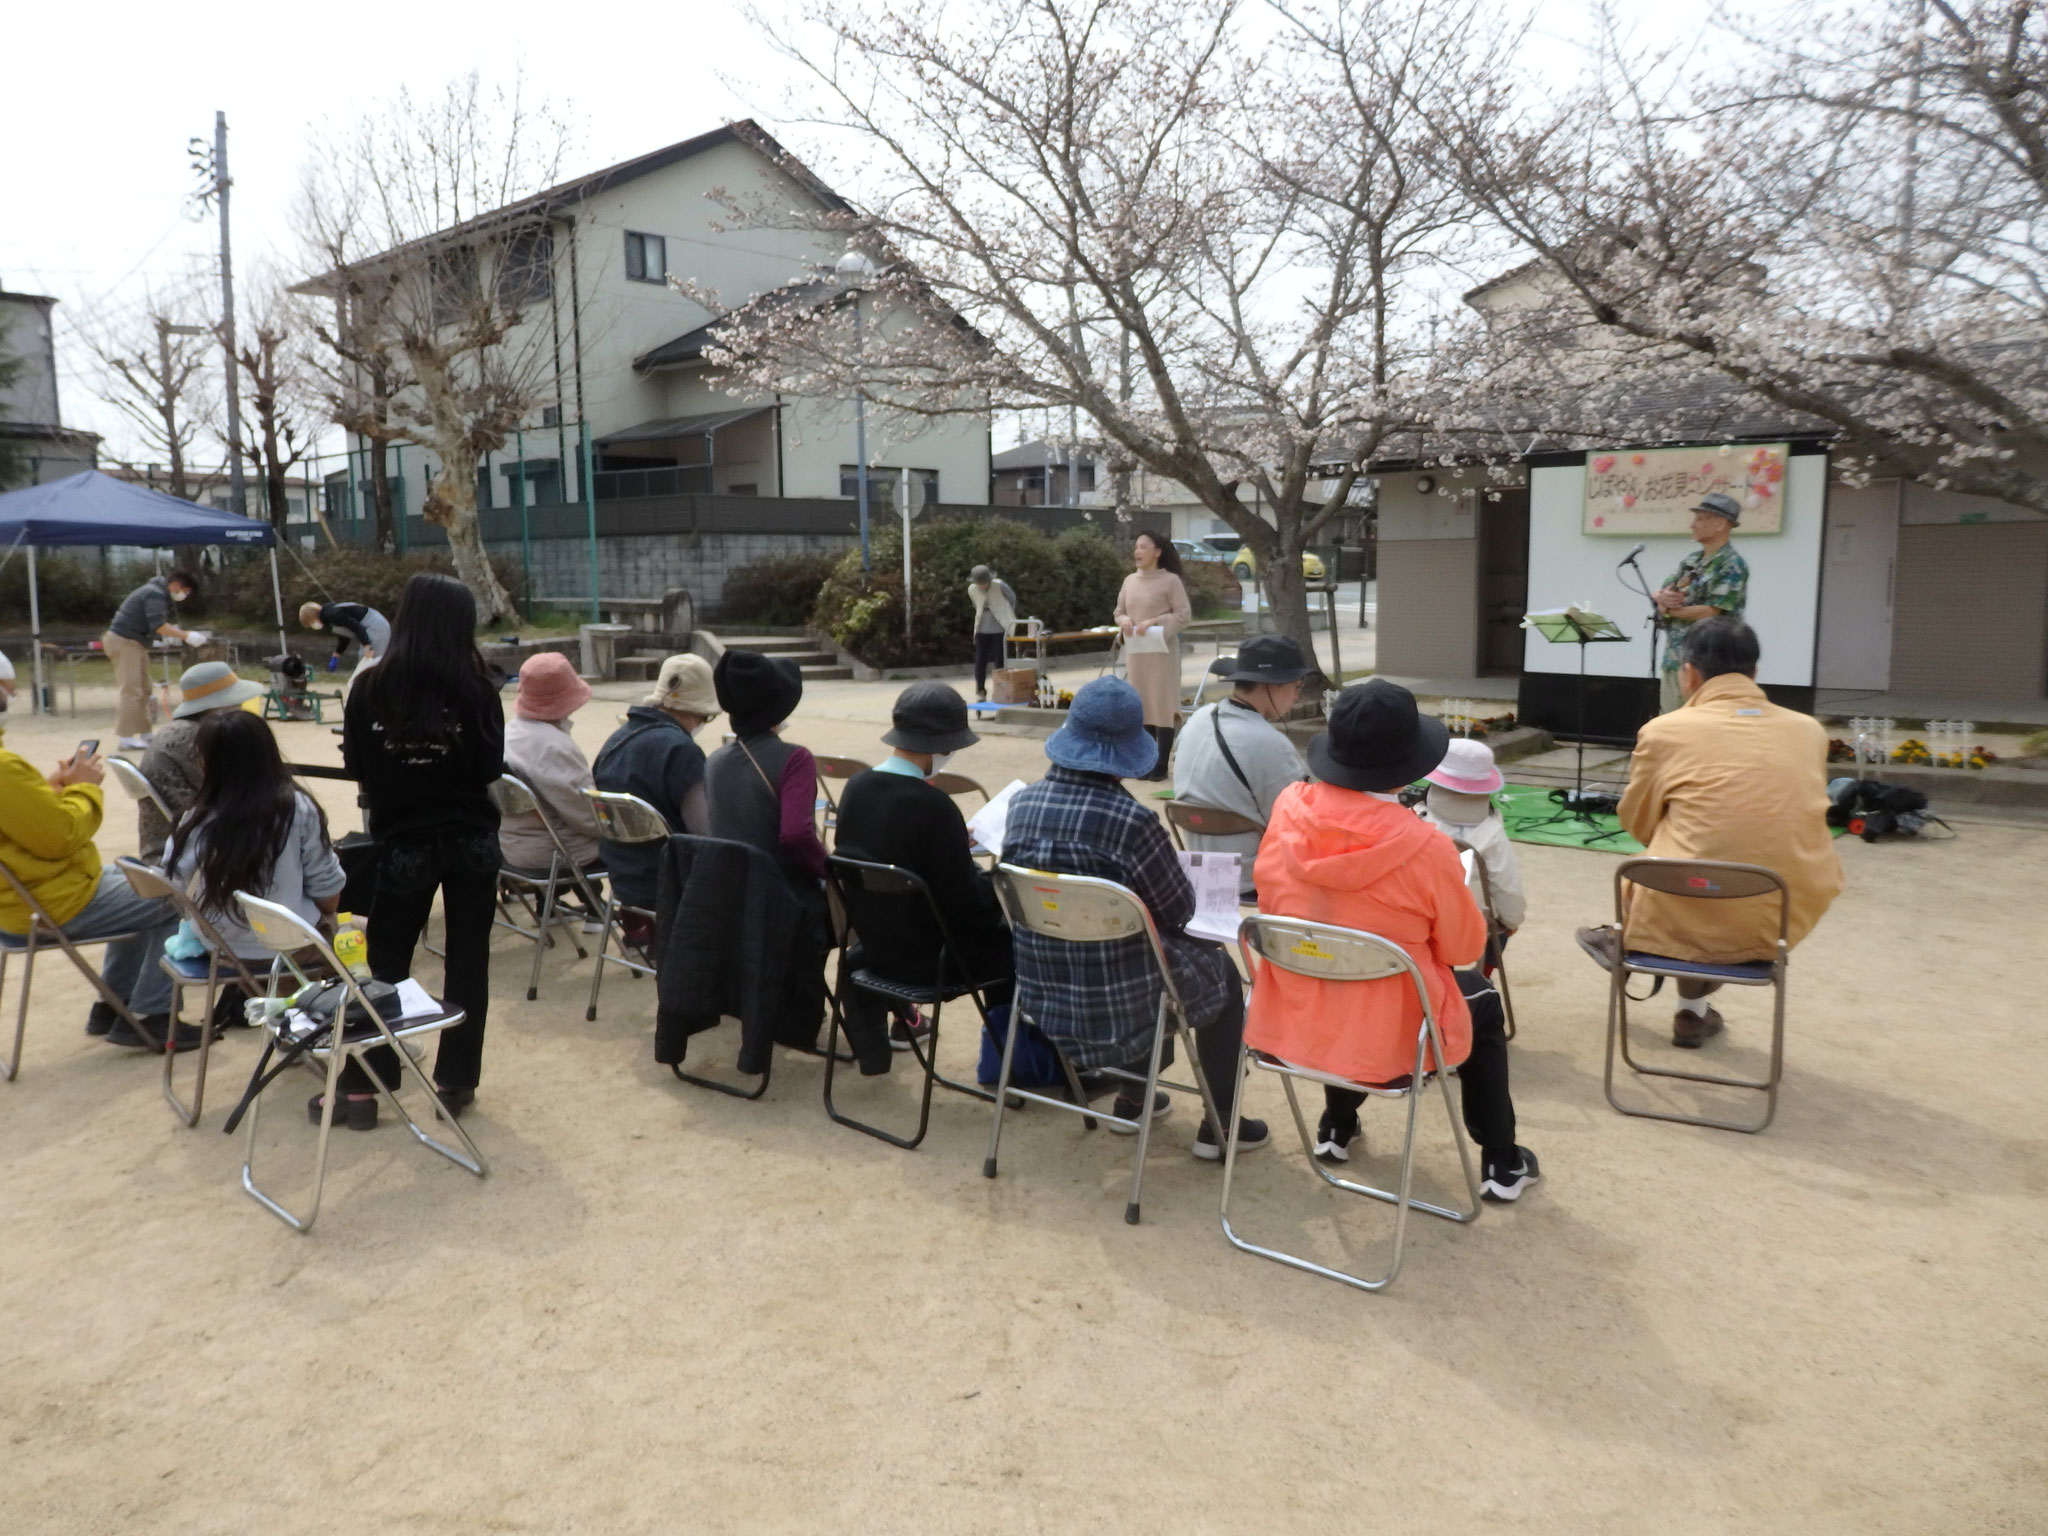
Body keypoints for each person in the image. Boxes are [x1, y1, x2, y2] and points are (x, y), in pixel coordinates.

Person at [1248, 679, 1540, 1200]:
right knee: (1481, 1002)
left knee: (1340, 966)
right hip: (1385, 1037)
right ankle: (1502, 1160)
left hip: (1294, 1019)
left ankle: (1337, 1126)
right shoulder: (1425, 847)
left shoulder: (1288, 808)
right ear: (1410, 761)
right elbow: (1460, 950)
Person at [1002, 676, 1268, 1159]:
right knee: (1219, 974)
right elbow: (1179, 910)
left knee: (1138, 954)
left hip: (1045, 987)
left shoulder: (1021, 806)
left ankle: (1131, 1099)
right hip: (1122, 999)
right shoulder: (1133, 822)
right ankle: (1222, 1123)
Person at [1576, 616, 1843, 1048]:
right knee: (1713, 876)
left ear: (1690, 673)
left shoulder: (1665, 731)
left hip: (1680, 905)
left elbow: (1637, 823)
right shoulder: (1808, 732)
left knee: (1683, 871)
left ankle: (1625, 942)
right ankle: (1692, 1013)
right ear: (1755, 673)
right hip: (1773, 918)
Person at [341, 572, 505, 1122]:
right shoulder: (479, 688)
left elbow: (359, 770)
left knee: (386, 960)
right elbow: (487, 769)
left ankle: (374, 1074)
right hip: (471, 841)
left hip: (402, 841)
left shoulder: (368, 687)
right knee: (467, 961)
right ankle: (456, 1081)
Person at [0, 658, 194, 1052]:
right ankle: (152, 1015)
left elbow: (23, 822)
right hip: (49, 902)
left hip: (30, 895)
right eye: (7, 687)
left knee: (141, 876)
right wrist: (84, 788)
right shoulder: (3, 768)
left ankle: (113, 1004)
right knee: (175, 895)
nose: (13, 695)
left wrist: (52, 788)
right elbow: (62, 836)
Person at [830, 683, 1013, 1075]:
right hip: (930, 960)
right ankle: (1006, 1065)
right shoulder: (934, 806)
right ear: (942, 746)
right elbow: (966, 906)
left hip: (874, 947)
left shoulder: (856, 788)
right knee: (1015, 943)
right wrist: (995, 880)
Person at [164, 710, 347, 1050]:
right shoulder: (297, 809)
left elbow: (172, 884)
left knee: (286, 945)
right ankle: (364, 1036)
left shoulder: (194, 817)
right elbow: (329, 896)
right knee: (362, 935)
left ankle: (289, 1023)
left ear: (207, 764)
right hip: (289, 948)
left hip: (222, 948)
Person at [702, 649, 831, 1035]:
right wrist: (830, 872)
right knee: (869, 912)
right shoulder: (795, 759)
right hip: (786, 899)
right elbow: (796, 834)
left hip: (734, 897)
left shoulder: (715, 759)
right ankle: (898, 1021)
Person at [1171, 634, 1311, 897]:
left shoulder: (1199, 719)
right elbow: (1297, 825)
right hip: (1252, 878)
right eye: (1297, 686)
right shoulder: (1269, 742)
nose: (1297, 697)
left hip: (1201, 872)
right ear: (1273, 685)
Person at [592, 653, 717, 922]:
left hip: (623, 879)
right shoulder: (681, 750)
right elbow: (707, 835)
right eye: (705, 717)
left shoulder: (615, 741)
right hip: (671, 886)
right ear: (695, 712)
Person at [135, 660, 266, 864]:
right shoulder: (195, 739)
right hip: (189, 854)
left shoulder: (179, 731)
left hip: (173, 845)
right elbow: (238, 796)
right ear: (220, 706)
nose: (241, 707)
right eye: (236, 701)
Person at [1416, 738, 1527, 956]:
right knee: (1498, 930)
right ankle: (1478, 980)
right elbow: (1507, 886)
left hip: (1418, 927)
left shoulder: (1413, 819)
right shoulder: (1491, 832)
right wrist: (1512, 920)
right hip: (1470, 930)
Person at [498, 651, 603, 876]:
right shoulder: (555, 746)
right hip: (556, 853)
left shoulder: (506, 734)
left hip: (509, 848)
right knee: (638, 846)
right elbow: (587, 817)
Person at [1654, 491, 1749, 714]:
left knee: (1704, 725)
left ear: (1720, 524)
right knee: (1671, 724)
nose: (1692, 525)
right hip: (1675, 658)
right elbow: (1664, 593)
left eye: (1700, 519)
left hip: (1710, 662)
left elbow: (1712, 611)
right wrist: (1662, 598)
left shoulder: (1731, 564)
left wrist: (1669, 609)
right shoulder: (1691, 560)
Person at [1114, 530, 1192, 780]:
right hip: (1137, 653)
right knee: (1142, 705)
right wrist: (1125, 620)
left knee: (1162, 705)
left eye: (1143, 547)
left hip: (1162, 652)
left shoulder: (1170, 581)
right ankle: (1144, 761)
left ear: (1157, 552)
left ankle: (1161, 764)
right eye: (1136, 547)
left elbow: (1183, 615)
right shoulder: (1129, 581)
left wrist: (1155, 622)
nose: (1137, 552)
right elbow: (1119, 611)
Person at [105, 568, 203, 749]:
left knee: (144, 689)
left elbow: (154, 624)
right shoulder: (155, 594)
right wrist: (186, 635)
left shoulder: (156, 592)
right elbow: (158, 626)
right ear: (175, 585)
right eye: (185, 591)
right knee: (131, 690)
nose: (184, 596)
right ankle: (125, 737)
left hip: (135, 642)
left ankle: (145, 733)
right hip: (125, 641)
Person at [298, 599, 392, 679]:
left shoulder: (332, 614)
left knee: (369, 665)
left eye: (311, 624)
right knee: (368, 665)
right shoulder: (329, 612)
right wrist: (336, 655)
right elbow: (345, 636)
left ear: (312, 618)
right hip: (375, 626)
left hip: (376, 627)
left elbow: (355, 626)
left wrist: (367, 646)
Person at [967, 564, 1018, 702]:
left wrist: (1005, 612)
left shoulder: (1000, 585)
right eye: (978, 583)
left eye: (983, 583)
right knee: (980, 660)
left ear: (989, 580)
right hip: (982, 628)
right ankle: (980, 691)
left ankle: (1001, 690)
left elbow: (1012, 598)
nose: (981, 586)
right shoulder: (972, 589)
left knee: (1000, 660)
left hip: (999, 628)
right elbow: (975, 604)